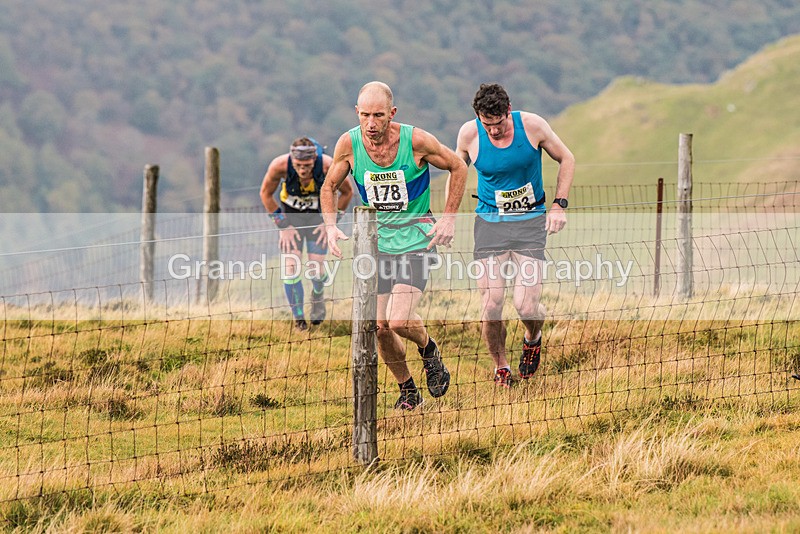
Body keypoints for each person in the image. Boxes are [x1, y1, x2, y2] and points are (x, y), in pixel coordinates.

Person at [320, 81, 467, 410]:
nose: (371, 124)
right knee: (380, 327)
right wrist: (330, 227)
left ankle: (429, 351)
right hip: (376, 246)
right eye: (364, 116)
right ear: (356, 113)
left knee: (400, 321)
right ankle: (408, 390)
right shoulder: (349, 143)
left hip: (416, 238)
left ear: (392, 114)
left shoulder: (416, 141)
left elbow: (458, 165)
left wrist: (448, 219)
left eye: (378, 116)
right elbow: (329, 186)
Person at [455, 83, 575, 387]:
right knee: (492, 302)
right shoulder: (469, 134)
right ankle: (502, 367)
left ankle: (533, 337)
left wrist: (559, 205)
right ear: (478, 118)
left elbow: (567, 159)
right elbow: (456, 171)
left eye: (498, 124)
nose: (493, 132)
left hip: (530, 222)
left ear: (508, 111)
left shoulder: (532, 125)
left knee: (525, 305)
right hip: (490, 224)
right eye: (487, 125)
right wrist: (448, 215)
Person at [260, 137, 353, 330]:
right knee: (291, 267)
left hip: (317, 220)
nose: (302, 170)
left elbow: (347, 193)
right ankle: (300, 320)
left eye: (307, 165)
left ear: (315, 160)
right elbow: (265, 194)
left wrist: (330, 223)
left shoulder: (328, 165)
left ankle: (318, 295)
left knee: (316, 269)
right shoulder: (279, 166)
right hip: (291, 219)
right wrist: (283, 226)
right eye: (298, 165)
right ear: (291, 160)